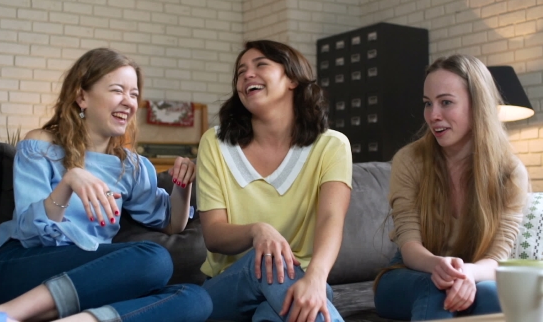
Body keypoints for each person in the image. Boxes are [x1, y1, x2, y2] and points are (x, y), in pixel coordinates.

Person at [0, 48, 212, 322]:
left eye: (134, 94)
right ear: (81, 96)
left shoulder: (131, 166)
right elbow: (29, 232)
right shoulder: (41, 145)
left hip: (88, 278)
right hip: (21, 268)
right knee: (154, 259)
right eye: (117, 91)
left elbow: (172, 224)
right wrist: (69, 181)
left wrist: (182, 184)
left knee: (196, 298)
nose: (129, 102)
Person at [196, 40, 353, 322]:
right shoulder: (215, 144)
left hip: (295, 285)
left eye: (261, 65)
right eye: (241, 71)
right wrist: (257, 231)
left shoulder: (332, 146)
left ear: (292, 78)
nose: (247, 75)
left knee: (276, 311)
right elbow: (214, 234)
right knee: (272, 267)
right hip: (226, 290)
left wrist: (316, 279)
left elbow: (332, 218)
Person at [373, 54, 530, 321]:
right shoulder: (409, 161)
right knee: (436, 288)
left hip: (476, 275)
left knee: (497, 297)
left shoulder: (511, 172)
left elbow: (498, 258)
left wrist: (467, 273)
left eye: (446, 102)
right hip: (411, 273)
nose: (433, 115)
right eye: (427, 103)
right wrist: (440, 267)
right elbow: (410, 246)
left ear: (477, 105)